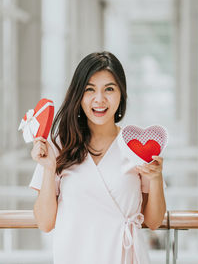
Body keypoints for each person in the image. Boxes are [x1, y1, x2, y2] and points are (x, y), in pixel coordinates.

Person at [29, 51, 166, 264]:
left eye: (109, 89)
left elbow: (154, 221)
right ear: (78, 95)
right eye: (89, 90)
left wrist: (156, 177)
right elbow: (45, 223)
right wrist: (48, 168)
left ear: (121, 94)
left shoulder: (135, 146)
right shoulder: (59, 145)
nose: (99, 100)